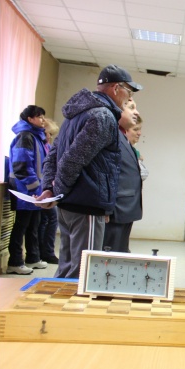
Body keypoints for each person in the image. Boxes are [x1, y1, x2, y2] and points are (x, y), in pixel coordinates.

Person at [38, 65, 142, 279]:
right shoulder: (103, 116)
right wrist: (56, 190)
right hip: (86, 205)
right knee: (84, 271)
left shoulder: (75, 115)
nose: (129, 97)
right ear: (116, 88)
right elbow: (74, 158)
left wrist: (50, 188)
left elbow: (53, 156)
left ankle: (59, 300)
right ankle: (72, 303)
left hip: (69, 204)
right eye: (128, 91)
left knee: (67, 267)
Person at [7, 105, 49, 274]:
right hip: (25, 190)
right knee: (21, 225)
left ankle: (33, 258)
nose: (43, 120)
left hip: (35, 191)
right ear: (30, 119)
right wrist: (35, 187)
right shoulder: (25, 136)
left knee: (34, 225)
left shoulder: (36, 137)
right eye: (39, 116)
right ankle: (15, 262)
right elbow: (21, 165)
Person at [103, 99, 143, 253]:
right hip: (116, 209)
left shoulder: (125, 141)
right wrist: (106, 207)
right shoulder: (112, 137)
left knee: (120, 250)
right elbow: (106, 174)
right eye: (131, 108)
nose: (136, 112)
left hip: (126, 208)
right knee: (110, 252)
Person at [37, 118, 60, 264]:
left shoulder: (47, 146)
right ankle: (46, 252)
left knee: (46, 220)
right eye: (48, 133)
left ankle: (44, 252)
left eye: (51, 134)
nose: (49, 137)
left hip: (43, 189)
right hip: (40, 190)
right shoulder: (38, 144)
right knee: (50, 219)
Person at [125, 115, 148, 181]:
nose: (139, 133)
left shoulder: (134, 151)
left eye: (140, 129)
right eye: (135, 129)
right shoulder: (120, 151)